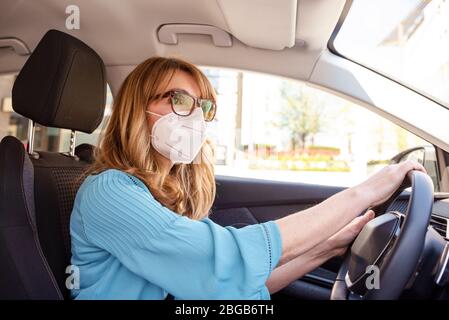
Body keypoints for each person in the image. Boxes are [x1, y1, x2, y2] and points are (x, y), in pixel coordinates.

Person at [69, 56, 427, 300]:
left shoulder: (163, 194)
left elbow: (230, 285)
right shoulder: (108, 191)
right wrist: (363, 193)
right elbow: (220, 262)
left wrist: (327, 248)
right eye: (179, 99)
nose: (196, 116)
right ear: (138, 108)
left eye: (203, 105)